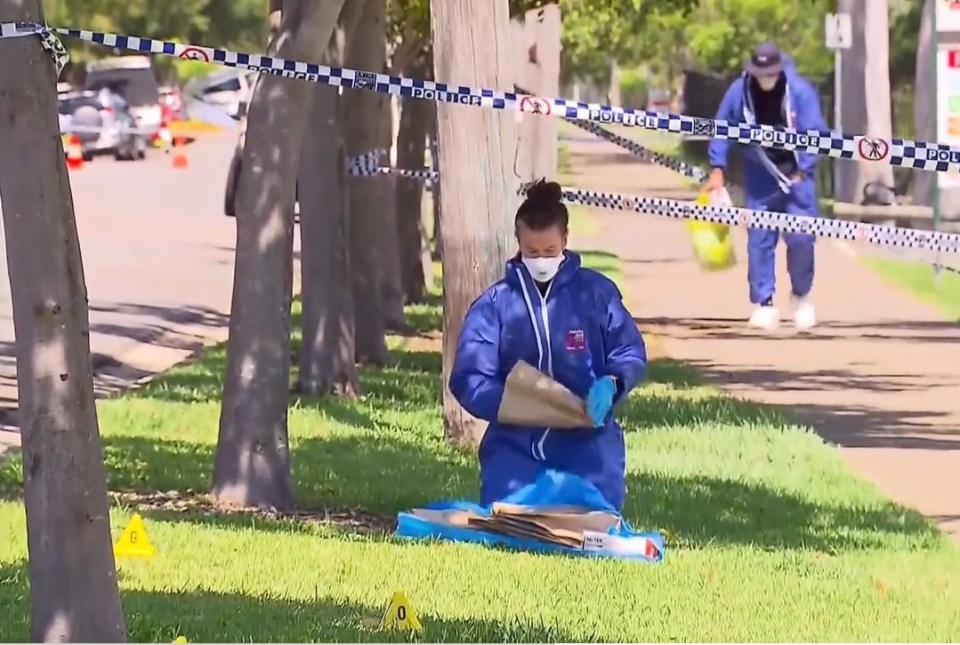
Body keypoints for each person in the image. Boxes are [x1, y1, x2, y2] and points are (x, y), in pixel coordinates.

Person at [448, 180, 648, 512]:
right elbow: (470, 376)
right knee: (511, 521)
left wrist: (612, 383)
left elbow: (628, 351)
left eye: (550, 252)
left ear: (566, 241)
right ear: (518, 244)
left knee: (592, 520)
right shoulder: (494, 305)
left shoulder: (596, 294)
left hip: (589, 442)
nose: (541, 261)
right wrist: (514, 404)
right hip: (515, 444)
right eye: (532, 252)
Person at [704, 42, 826, 331]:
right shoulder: (740, 91)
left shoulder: (800, 92)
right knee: (759, 238)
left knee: (802, 238)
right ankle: (763, 302)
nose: (766, 77)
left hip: (797, 177)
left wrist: (803, 169)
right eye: (761, 72)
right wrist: (717, 167)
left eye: (771, 72)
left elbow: (818, 135)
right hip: (760, 174)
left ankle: (801, 295)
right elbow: (722, 126)